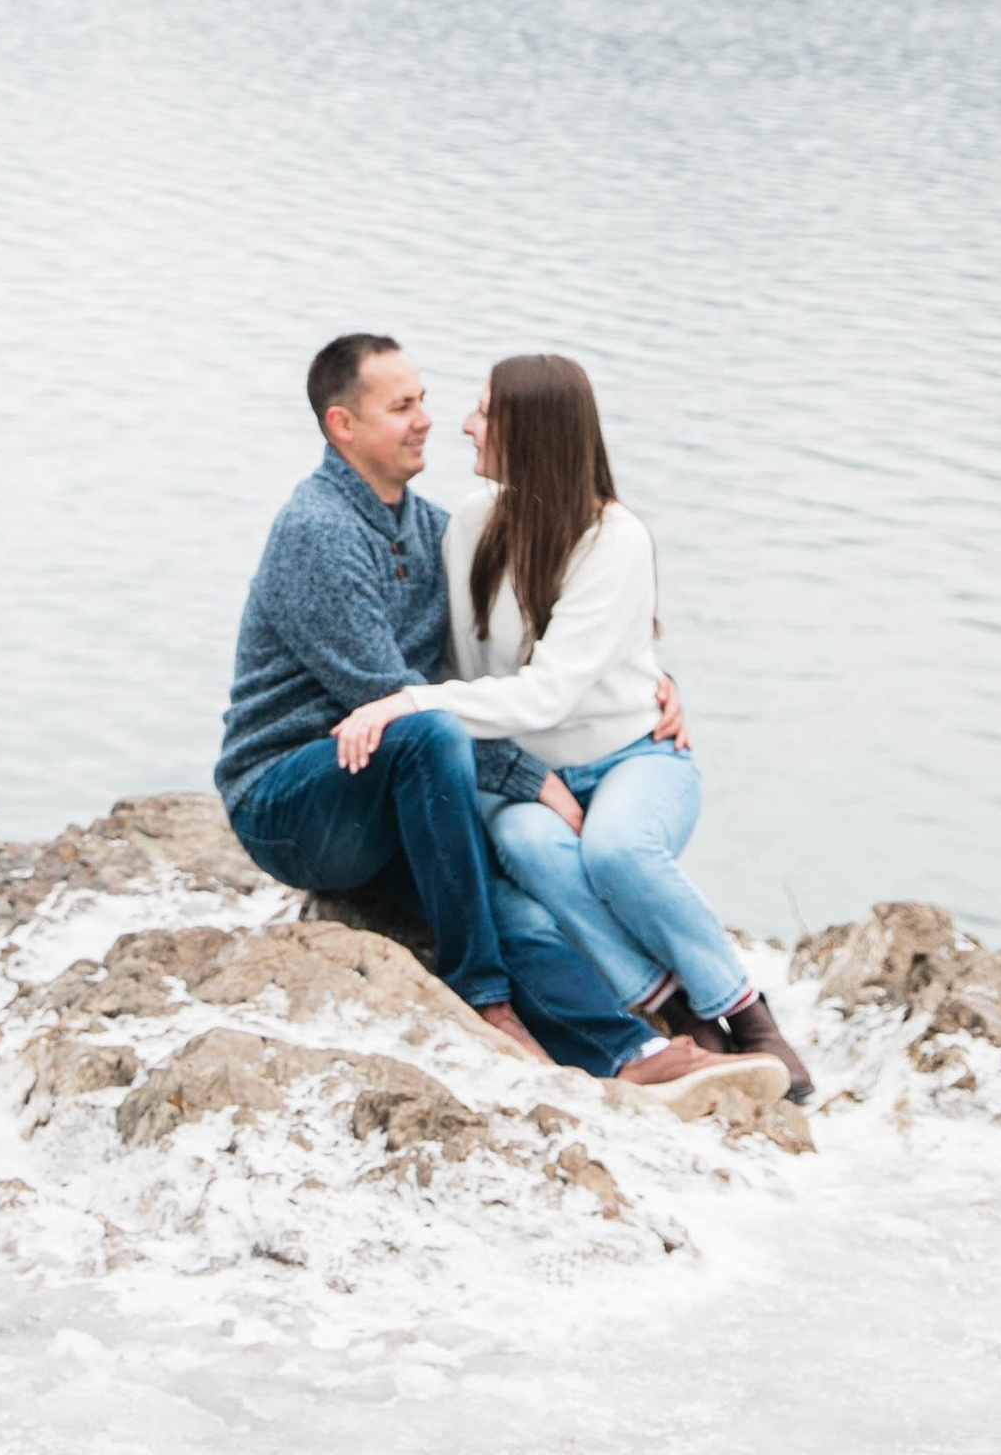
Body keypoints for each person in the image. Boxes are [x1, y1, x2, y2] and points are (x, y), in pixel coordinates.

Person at [216, 332, 773, 1109]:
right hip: (293, 801)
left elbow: (529, 636)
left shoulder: (430, 527)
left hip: (392, 787)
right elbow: (389, 699)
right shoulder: (320, 534)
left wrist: (654, 681)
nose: (428, 421)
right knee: (435, 739)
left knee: (496, 892)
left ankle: (630, 1051)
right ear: (342, 426)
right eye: (402, 406)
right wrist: (529, 777)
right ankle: (486, 1000)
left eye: (425, 401)